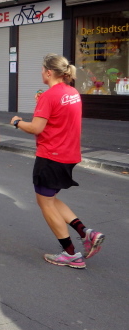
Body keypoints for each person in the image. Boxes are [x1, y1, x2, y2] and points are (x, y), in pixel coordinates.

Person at [11, 54, 105, 270]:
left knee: (45, 202)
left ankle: (71, 254)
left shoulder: (49, 96)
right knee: (50, 198)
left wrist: (17, 122)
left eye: (42, 69)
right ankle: (86, 233)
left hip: (51, 155)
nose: (41, 72)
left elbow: (36, 128)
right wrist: (42, 104)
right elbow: (59, 116)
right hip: (69, 154)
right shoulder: (72, 93)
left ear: (49, 72)